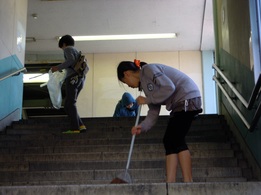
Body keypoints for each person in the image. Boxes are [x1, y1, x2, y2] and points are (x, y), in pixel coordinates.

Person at [116, 59, 202, 183]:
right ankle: (170, 182)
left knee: (175, 139)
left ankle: (188, 182)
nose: (128, 85)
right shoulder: (145, 84)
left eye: (125, 82)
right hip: (181, 102)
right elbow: (154, 111)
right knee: (170, 140)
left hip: (187, 97)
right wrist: (142, 126)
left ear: (127, 74)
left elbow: (169, 88)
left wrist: (147, 100)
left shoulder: (148, 70)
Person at [51, 35, 89, 134]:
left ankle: (75, 128)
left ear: (64, 44)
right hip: (80, 79)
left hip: (72, 78)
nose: (62, 49)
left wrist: (57, 67)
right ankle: (80, 125)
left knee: (70, 104)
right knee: (68, 105)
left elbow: (70, 60)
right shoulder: (76, 51)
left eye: (62, 47)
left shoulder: (68, 49)